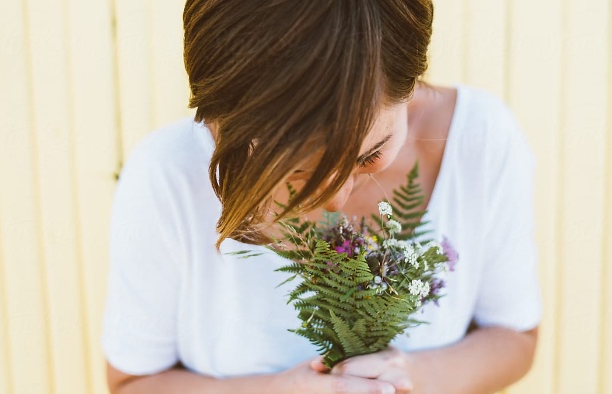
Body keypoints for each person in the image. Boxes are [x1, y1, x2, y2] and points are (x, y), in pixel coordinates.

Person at [101, 1, 542, 393]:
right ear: (219, 121)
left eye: (369, 155)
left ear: (411, 86)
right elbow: (132, 381)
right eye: (297, 168)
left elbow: (515, 338)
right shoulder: (167, 175)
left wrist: (416, 380)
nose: (336, 197)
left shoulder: (480, 139)